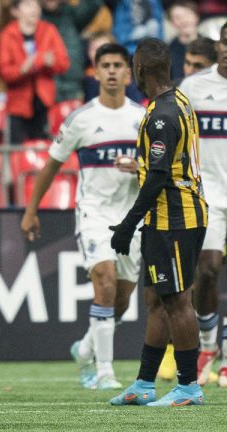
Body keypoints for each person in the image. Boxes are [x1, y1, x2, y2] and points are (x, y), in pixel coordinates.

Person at [21, 42, 145, 391]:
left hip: (132, 217)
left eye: (117, 65)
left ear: (128, 72)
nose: (110, 71)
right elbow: (51, 166)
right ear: (95, 71)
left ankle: (87, 346)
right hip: (93, 213)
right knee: (103, 280)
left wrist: (140, 166)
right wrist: (32, 210)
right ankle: (104, 370)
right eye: (104, 65)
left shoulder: (142, 118)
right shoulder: (81, 119)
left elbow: (157, 168)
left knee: (121, 299)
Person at [108, 37, 207, 407]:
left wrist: (127, 224)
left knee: (178, 301)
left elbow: (158, 176)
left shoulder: (162, 116)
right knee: (156, 300)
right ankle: (145, 383)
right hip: (172, 215)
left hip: (174, 219)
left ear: (140, 70)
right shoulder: (178, 101)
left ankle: (189, 387)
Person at [179, 22, 227, 387]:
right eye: (225, 42)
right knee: (207, 269)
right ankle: (209, 345)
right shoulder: (194, 88)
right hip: (208, 192)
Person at [0, 0, 69, 144]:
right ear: (15, 11)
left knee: (41, 147)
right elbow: (4, 72)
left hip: (43, 101)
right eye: (28, 5)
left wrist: (50, 63)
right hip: (18, 104)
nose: (34, 9)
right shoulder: (7, 34)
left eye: (37, 5)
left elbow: (64, 63)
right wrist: (22, 69)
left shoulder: (49, 30)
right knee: (16, 152)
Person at [166, 1, 200, 81]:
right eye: (178, 17)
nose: (184, 21)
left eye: (187, 15)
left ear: (196, 17)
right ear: (172, 23)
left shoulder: (212, 47)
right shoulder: (167, 53)